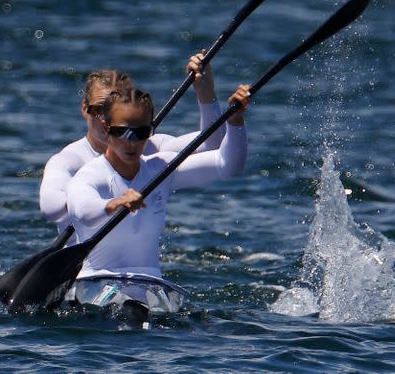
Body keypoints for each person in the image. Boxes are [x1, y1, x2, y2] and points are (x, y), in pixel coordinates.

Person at [64, 83, 250, 311]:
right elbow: (82, 211)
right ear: (106, 127)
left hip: (151, 289)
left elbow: (228, 164)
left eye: (140, 133)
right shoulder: (91, 175)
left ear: (151, 130)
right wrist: (113, 204)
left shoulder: (160, 169)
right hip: (95, 289)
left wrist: (236, 122)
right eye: (122, 132)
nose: (131, 142)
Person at [39, 52, 224, 237]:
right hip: (84, 262)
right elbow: (51, 208)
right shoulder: (70, 159)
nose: (106, 118)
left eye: (114, 109)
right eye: (99, 109)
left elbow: (214, 143)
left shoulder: (152, 148)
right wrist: (104, 203)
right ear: (84, 109)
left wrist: (205, 91)